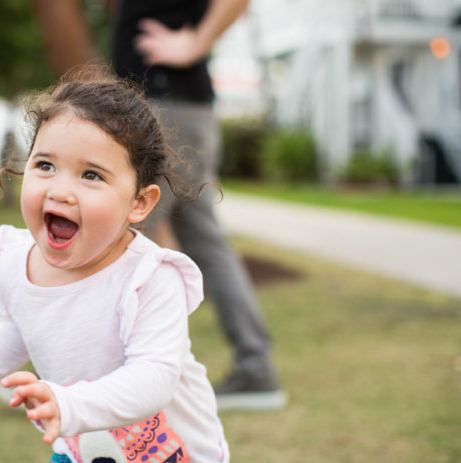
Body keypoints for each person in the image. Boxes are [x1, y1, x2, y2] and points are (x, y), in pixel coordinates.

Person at [0, 68, 230, 462]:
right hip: (81, 448)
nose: (60, 190)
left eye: (91, 175)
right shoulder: (16, 261)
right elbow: (19, 331)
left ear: (139, 203)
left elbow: (154, 377)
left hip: (171, 452)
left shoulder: (149, 278)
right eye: (45, 165)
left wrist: (69, 404)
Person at [32, 0, 287, 410]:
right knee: (205, 245)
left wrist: (196, 43)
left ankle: (62, 378)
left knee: (108, 243)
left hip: (166, 111)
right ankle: (255, 367)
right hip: (179, 109)